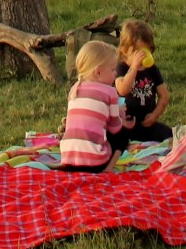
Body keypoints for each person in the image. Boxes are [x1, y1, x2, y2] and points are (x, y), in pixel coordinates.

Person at [59, 40, 124, 172]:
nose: (115, 74)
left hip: (68, 160)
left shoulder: (74, 89)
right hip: (95, 163)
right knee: (123, 137)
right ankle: (108, 169)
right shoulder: (110, 92)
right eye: (112, 70)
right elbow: (115, 128)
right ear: (98, 72)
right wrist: (120, 114)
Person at [110, 19, 172, 151]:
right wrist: (133, 68)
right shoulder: (121, 68)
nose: (142, 56)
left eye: (145, 50)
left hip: (147, 123)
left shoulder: (152, 70)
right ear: (125, 50)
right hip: (125, 123)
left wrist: (155, 115)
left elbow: (164, 96)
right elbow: (123, 90)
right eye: (137, 51)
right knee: (116, 140)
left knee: (169, 135)